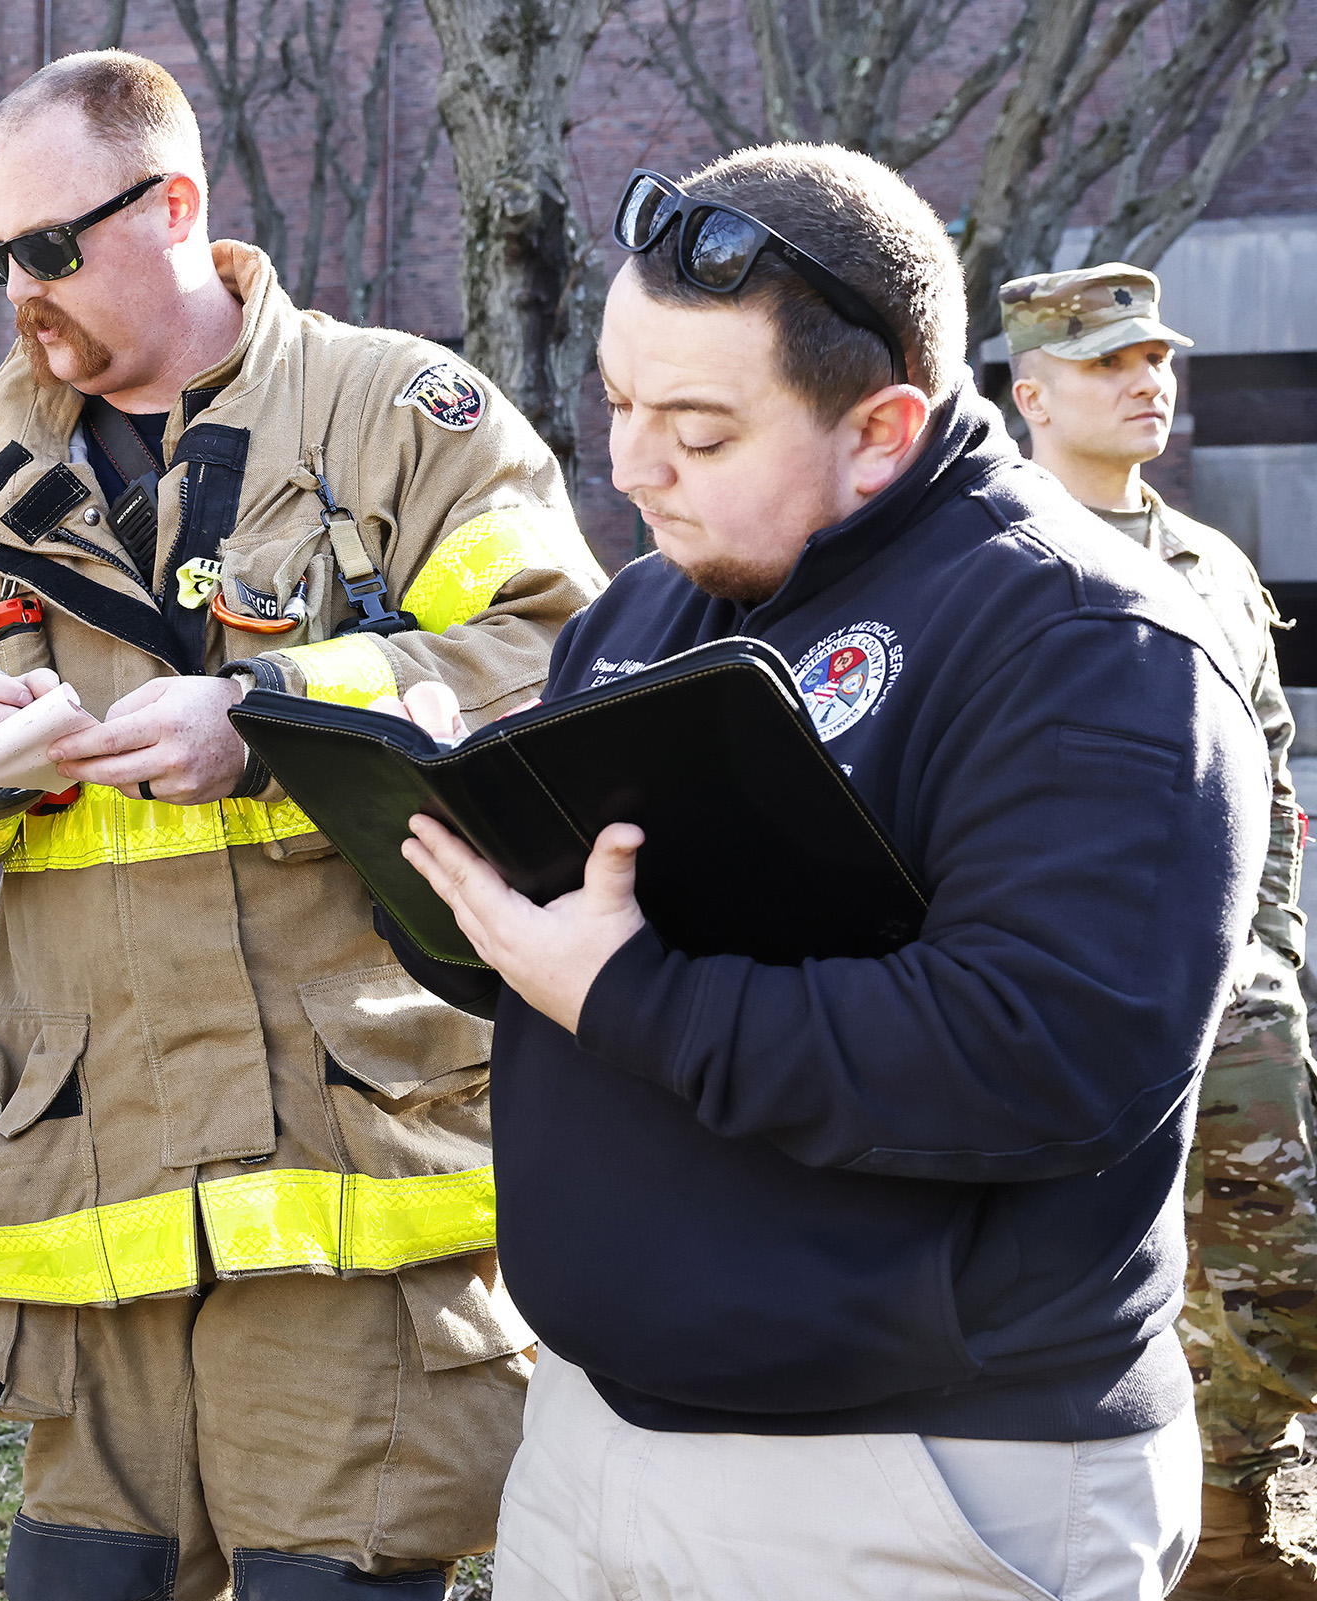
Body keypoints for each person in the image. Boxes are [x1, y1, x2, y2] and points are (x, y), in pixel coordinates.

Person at [385, 145, 1266, 1600]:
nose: (633, 465)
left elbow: (1052, 1055)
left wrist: (635, 999)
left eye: (701, 429)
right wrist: (441, 863)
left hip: (916, 1479)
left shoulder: (1092, 647)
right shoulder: (647, 614)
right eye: (616, 401)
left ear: (883, 433)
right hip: (596, 1437)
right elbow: (585, 954)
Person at [0, 50, 603, 1601]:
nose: (21, 292)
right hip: (86, 1211)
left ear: (176, 206)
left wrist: (276, 714)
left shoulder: (402, 417)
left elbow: (549, 660)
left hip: (346, 1199)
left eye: (52, 249)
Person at [1005, 262, 1317, 1599]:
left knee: (1268, 1259)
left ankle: (1233, 1527)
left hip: (1228, 1005)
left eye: (1159, 361)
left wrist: (1278, 959)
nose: (1150, 382)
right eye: (1110, 363)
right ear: (1029, 390)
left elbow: (1271, 777)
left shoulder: (1210, 563)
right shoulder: (987, 559)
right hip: (1046, 997)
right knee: (1068, 1284)